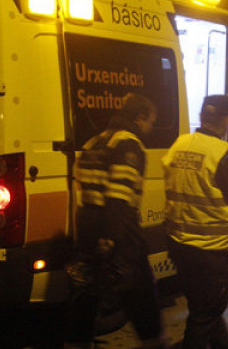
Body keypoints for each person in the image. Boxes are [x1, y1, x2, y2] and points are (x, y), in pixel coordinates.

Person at [64, 93, 165, 349]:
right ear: (140, 116)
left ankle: (78, 343)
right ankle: (153, 342)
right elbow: (119, 197)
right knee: (141, 295)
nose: (150, 128)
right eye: (150, 122)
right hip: (119, 231)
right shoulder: (128, 144)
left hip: (88, 227)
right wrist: (111, 238)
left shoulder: (93, 142)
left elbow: (86, 193)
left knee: (87, 294)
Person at [162, 94, 228, 349]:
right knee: (207, 311)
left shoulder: (179, 144)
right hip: (210, 248)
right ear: (226, 120)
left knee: (202, 306)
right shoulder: (223, 153)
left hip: (179, 243)